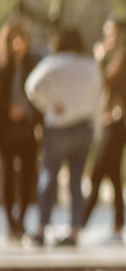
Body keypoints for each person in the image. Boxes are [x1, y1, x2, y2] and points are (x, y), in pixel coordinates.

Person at [23, 28, 102, 247]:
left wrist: (48, 104)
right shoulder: (90, 65)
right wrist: (96, 131)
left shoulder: (54, 63)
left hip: (58, 127)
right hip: (84, 127)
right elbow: (98, 100)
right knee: (76, 182)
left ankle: (41, 229)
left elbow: (31, 86)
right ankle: (75, 231)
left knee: (48, 176)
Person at [82, 18, 126, 243]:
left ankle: (79, 225)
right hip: (114, 121)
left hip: (117, 123)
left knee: (97, 173)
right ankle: (118, 227)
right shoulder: (123, 56)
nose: (107, 38)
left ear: (122, 34)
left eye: (110, 33)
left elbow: (106, 81)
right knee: (114, 175)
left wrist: (98, 59)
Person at [0, 22, 42, 241]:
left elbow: (40, 96)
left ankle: (22, 219)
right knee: (8, 174)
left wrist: (34, 119)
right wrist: (9, 109)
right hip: (6, 129)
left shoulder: (32, 64)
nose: (18, 44)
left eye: (22, 38)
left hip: (27, 128)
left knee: (28, 174)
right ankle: (10, 222)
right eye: (14, 39)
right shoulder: (2, 66)